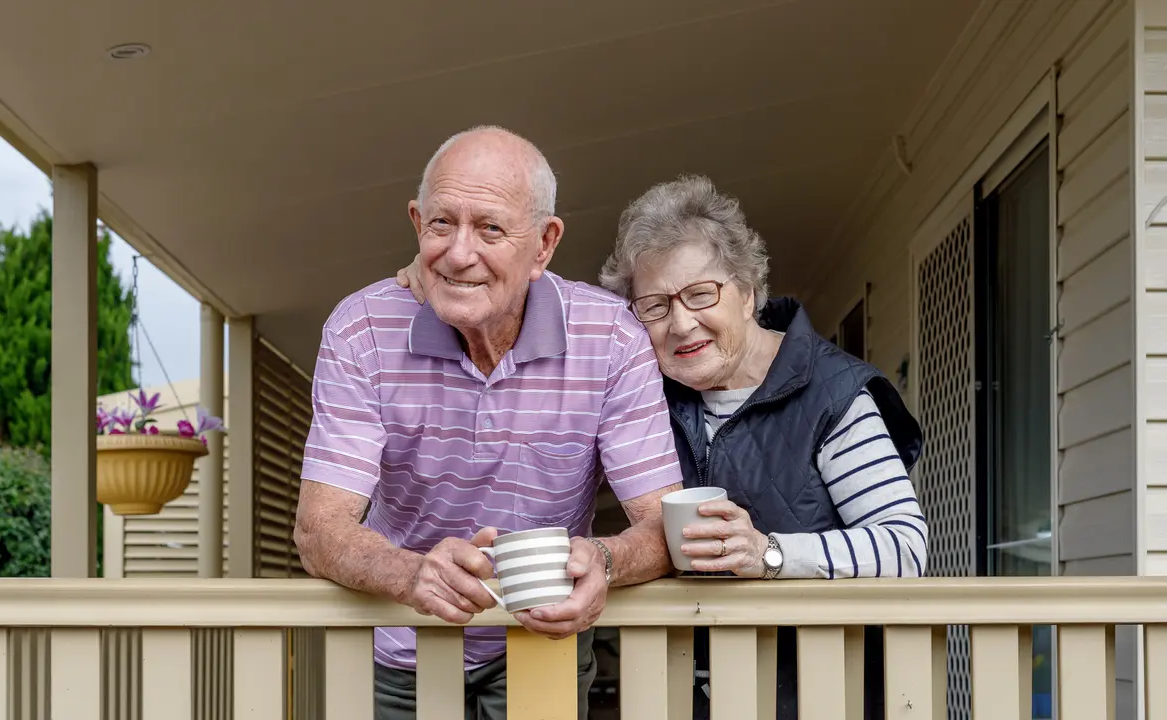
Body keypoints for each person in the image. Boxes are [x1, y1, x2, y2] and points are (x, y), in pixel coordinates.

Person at [398, 174, 926, 719]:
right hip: (686, 694)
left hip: (822, 694)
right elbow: (545, 306)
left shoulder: (833, 394)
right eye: (654, 306)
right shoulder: (643, 387)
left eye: (701, 294)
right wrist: (456, 281)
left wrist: (770, 554)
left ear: (748, 292)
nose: (681, 323)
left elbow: (905, 547)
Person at [294, 125, 684, 720]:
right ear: (416, 223)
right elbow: (318, 529)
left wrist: (603, 561)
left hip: (542, 639)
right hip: (403, 640)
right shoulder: (361, 330)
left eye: (491, 229)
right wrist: (410, 575)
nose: (458, 253)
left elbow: (662, 525)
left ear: (545, 244)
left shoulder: (611, 339)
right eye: (441, 223)